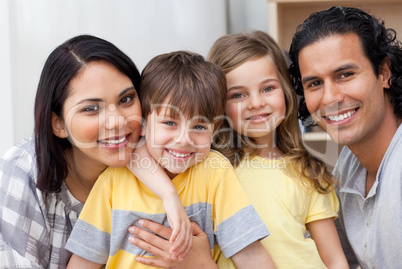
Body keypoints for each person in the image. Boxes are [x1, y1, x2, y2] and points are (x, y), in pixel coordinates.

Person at [65, 51, 275, 269]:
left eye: (199, 126)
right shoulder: (114, 178)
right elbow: (84, 261)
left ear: (214, 131)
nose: (184, 139)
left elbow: (250, 255)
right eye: (169, 123)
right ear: (143, 124)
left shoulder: (215, 172)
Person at [0, 34, 190, 269]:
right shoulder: (24, 170)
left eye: (126, 99)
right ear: (58, 123)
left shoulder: (167, 163)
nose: (117, 122)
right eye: (91, 108)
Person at [206, 31, 347, 268]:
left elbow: (334, 260)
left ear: (285, 90)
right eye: (238, 95)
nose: (256, 103)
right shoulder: (212, 169)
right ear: (219, 103)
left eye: (267, 88)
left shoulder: (308, 170)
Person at [288, 6, 402, 268]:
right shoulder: (347, 166)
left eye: (345, 75)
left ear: (383, 72)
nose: (329, 98)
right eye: (315, 83)